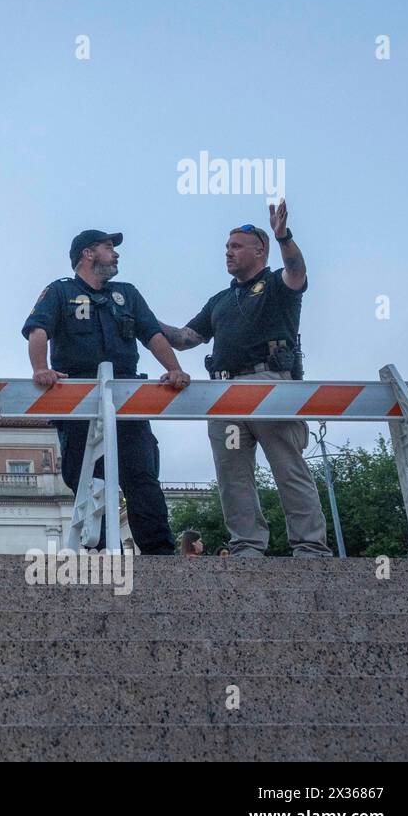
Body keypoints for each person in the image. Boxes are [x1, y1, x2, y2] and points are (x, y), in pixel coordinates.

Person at [157, 201, 332, 557]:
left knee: (288, 468)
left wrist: (285, 236)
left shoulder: (276, 285)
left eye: (236, 246)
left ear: (260, 250)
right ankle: (247, 548)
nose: (228, 252)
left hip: (270, 384)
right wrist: (141, 318)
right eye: (226, 247)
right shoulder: (220, 300)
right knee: (232, 476)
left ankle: (311, 549)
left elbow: (296, 270)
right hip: (224, 394)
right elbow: (185, 338)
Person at [22, 230, 190, 555]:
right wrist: (40, 368)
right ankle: (97, 552)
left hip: (126, 398)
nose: (116, 254)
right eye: (109, 247)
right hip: (77, 400)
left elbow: (152, 334)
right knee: (85, 479)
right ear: (88, 254)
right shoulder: (60, 292)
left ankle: (160, 556)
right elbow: (38, 329)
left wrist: (175, 368)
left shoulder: (126, 294)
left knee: (141, 475)